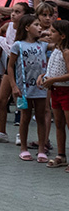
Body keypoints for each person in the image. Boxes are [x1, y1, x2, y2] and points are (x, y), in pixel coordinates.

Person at [0, 2, 30, 141]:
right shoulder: (9, 25)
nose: (13, 14)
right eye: (13, 11)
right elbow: (2, 29)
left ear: (25, 15)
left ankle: (20, 134)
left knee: (21, 102)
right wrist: (0, 36)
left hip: (23, 69)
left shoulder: (27, 31)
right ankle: (1, 133)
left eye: (17, 12)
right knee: (0, 100)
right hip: (10, 68)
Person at [8, 14, 49, 162]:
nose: (40, 27)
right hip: (24, 88)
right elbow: (10, 66)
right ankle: (23, 148)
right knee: (25, 117)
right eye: (36, 25)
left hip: (40, 88)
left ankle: (41, 149)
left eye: (40, 25)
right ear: (26, 28)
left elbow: (57, 41)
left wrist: (45, 33)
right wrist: (13, 85)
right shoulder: (18, 45)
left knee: (40, 118)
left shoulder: (43, 45)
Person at [39, 19, 69, 169]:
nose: (49, 34)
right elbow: (52, 68)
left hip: (66, 91)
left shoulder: (66, 51)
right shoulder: (56, 49)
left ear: (62, 36)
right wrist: (44, 76)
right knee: (58, 123)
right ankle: (61, 155)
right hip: (55, 91)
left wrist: (53, 79)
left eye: (52, 32)